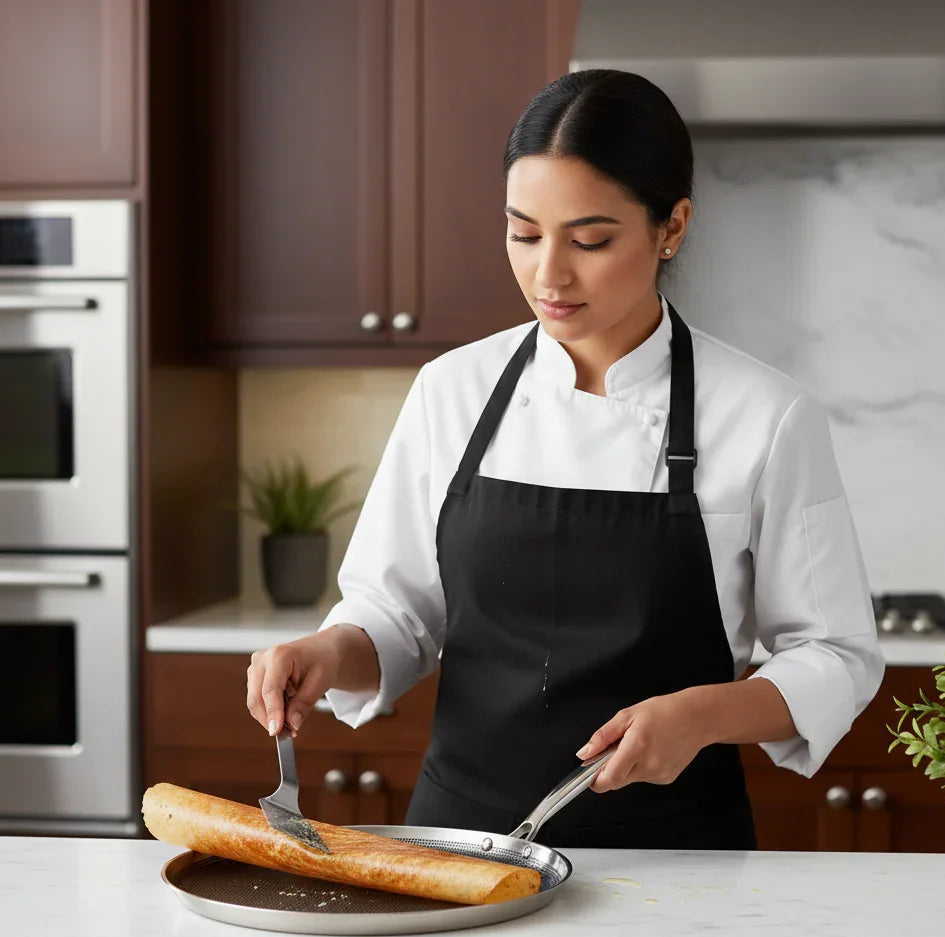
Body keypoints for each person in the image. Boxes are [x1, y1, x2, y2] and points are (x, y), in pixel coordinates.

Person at [246, 69, 884, 851]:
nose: (548, 274)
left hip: (679, 857)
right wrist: (325, 652)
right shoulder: (452, 390)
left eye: (589, 240)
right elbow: (397, 613)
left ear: (672, 227)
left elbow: (834, 655)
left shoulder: (765, 416)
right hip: (461, 846)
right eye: (524, 234)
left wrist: (702, 714)